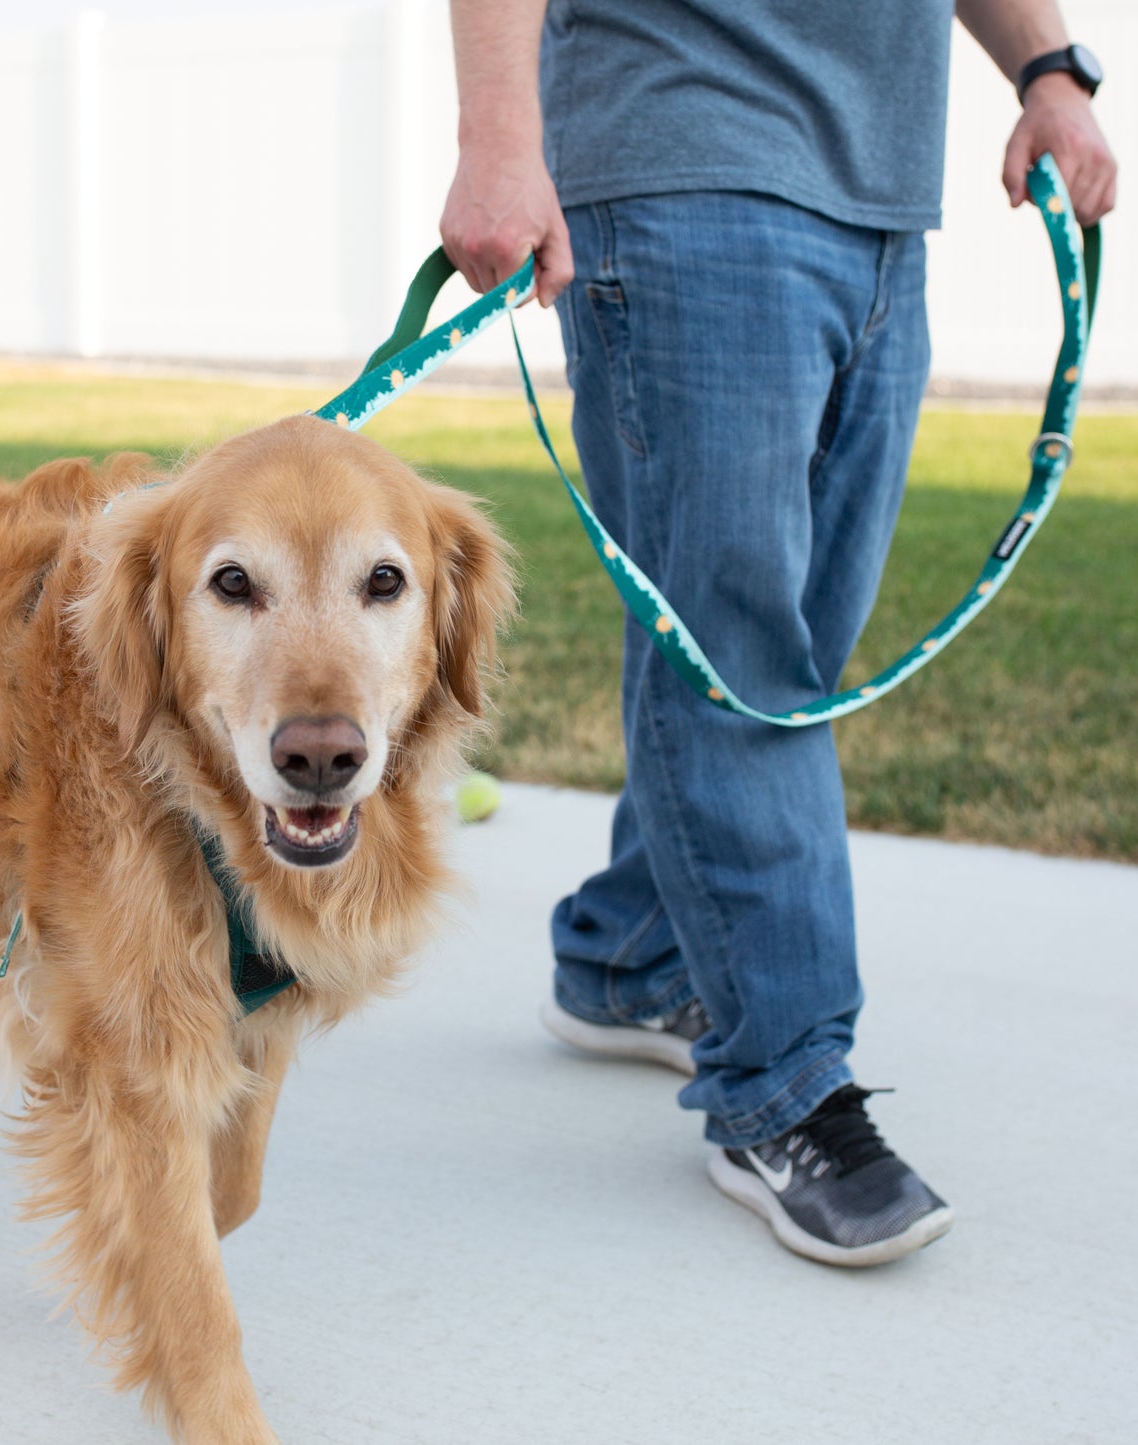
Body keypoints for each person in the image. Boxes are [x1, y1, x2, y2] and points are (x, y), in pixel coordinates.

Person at [440, 0, 1116, 1266]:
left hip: (879, 195)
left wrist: (1046, 67)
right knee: (739, 660)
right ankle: (784, 1087)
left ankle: (630, 955)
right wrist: (498, 139)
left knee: (787, 647)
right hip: (685, 157)